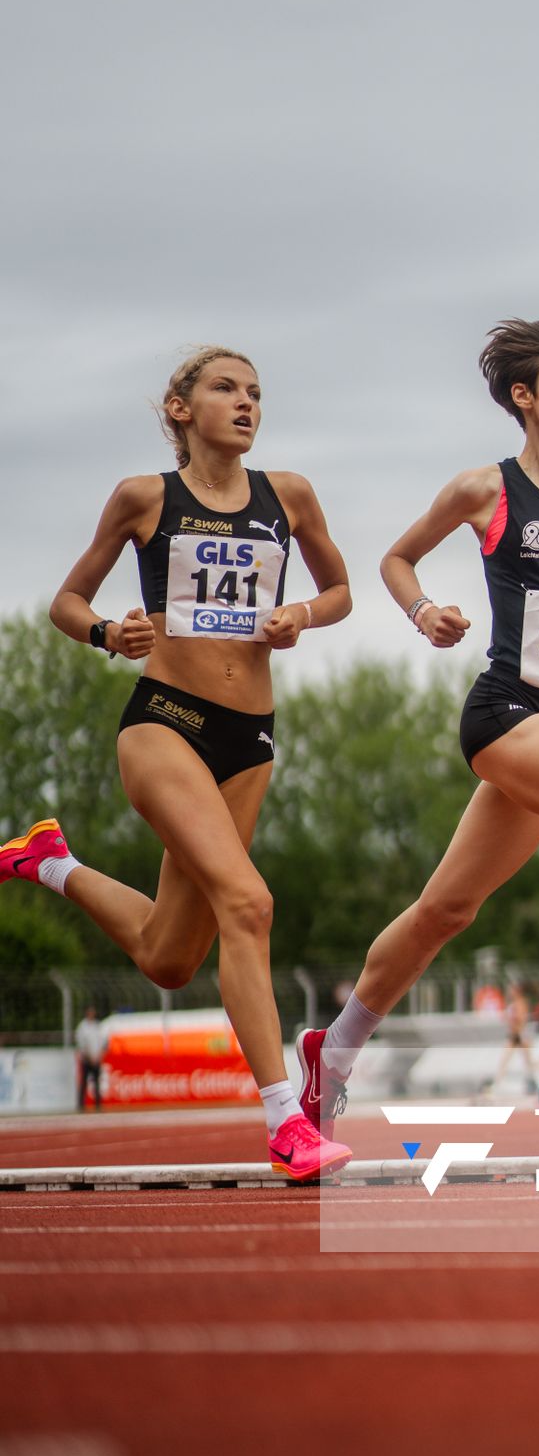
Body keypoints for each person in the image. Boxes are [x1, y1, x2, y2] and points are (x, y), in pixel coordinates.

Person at [295, 317, 539, 1136]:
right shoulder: (486, 490)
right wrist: (425, 612)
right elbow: (397, 558)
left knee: (446, 910)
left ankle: (332, 1052)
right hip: (507, 712)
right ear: (524, 396)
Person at [0, 346, 354, 1181]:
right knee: (250, 902)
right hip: (165, 722)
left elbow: (340, 591)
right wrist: (105, 633)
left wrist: (301, 612)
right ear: (180, 408)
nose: (245, 402)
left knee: (169, 954)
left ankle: (51, 863)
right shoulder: (144, 498)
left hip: (250, 736)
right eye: (225, 388)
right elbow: (65, 600)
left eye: (256, 392)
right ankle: (283, 1123)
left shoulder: (289, 496)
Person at [74, 1004, 109, 1111]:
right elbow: (81, 1044)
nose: (91, 1014)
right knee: (83, 1082)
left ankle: (98, 1105)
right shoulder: (82, 1027)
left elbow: (104, 1042)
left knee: (97, 1083)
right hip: (86, 1059)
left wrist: (99, 1056)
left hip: (96, 1059)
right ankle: (81, 1105)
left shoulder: (98, 1025)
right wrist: (88, 1057)